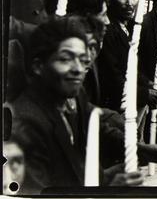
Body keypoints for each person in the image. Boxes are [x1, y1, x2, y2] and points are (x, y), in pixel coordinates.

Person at [8, 18, 145, 192]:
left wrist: (111, 175)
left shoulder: (73, 95)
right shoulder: (25, 126)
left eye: (83, 60)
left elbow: (75, 169)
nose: (78, 69)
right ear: (38, 66)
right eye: (65, 59)